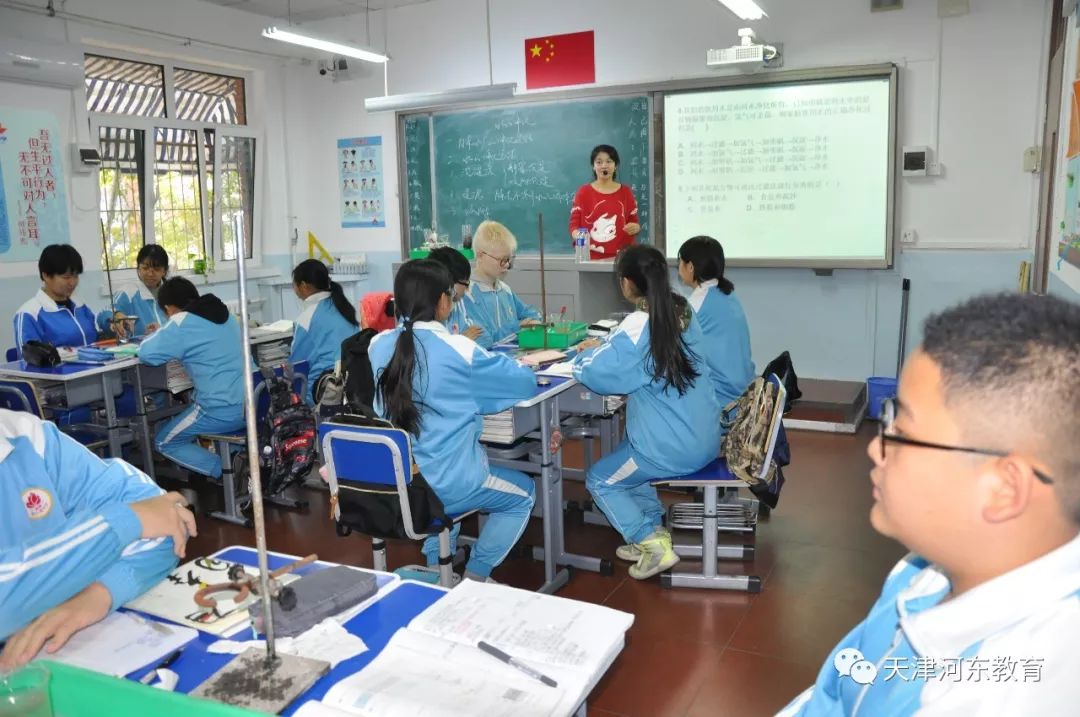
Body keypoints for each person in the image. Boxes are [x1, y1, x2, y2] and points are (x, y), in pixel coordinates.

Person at [779, 292, 1080, 716]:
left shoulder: (1005, 696)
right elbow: (834, 692)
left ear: (1003, 489)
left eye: (900, 432)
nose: (875, 450)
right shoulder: (927, 575)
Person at [369, 260, 537, 582]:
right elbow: (523, 383)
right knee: (524, 494)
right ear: (444, 302)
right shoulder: (460, 349)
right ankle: (476, 575)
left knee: (439, 489)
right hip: (452, 483)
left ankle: (436, 567)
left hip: (401, 481)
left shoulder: (378, 346)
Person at [0, 409, 196, 669]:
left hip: (58, 660)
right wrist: (124, 522)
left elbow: (165, 517)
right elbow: (143, 515)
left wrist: (99, 594)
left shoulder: (28, 437)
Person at [572, 245, 720, 579]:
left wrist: (580, 358)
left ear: (626, 283)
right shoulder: (679, 310)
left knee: (600, 479)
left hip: (671, 447)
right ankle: (653, 528)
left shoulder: (640, 325)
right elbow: (638, 356)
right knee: (628, 452)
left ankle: (648, 541)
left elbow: (600, 374)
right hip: (704, 435)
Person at [137, 277, 246, 478]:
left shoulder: (181, 321)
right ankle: (236, 466)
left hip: (219, 408)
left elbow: (146, 353)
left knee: (164, 441)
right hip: (252, 404)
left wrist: (161, 331)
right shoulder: (227, 315)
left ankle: (228, 473)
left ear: (169, 308)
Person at [676, 236, 754, 408]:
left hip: (723, 397)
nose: (678, 267)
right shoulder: (726, 293)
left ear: (690, 267)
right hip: (743, 390)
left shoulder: (698, 302)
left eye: (679, 261)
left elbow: (671, 341)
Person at [14, 245, 128, 356]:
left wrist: (114, 330)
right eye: (66, 277)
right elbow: (30, 359)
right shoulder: (29, 314)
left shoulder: (80, 306)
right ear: (46, 276)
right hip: (59, 374)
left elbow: (92, 339)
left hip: (93, 371)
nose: (72, 282)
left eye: (76, 276)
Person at [461, 220, 541, 348]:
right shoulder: (467, 293)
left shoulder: (505, 289)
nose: (507, 265)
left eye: (509, 260)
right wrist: (518, 326)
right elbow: (486, 338)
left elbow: (528, 313)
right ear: (480, 256)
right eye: (502, 260)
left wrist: (534, 320)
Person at [290, 259, 359, 403]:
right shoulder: (343, 307)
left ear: (303, 286)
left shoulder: (307, 318)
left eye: (294, 285)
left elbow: (296, 365)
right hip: (352, 384)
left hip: (322, 389)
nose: (294, 290)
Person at [568, 144, 640, 260]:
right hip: (590, 256)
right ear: (593, 166)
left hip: (623, 257)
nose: (604, 166)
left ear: (615, 165)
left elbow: (633, 221)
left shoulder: (626, 192)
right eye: (599, 162)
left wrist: (635, 227)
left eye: (609, 161)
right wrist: (578, 236)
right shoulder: (583, 192)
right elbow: (574, 225)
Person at [96, 244, 170, 338]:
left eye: (156, 269)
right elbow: (103, 314)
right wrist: (116, 315)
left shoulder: (173, 292)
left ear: (165, 271)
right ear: (138, 268)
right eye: (145, 268)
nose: (150, 274)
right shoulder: (128, 292)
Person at [428, 246, 483, 341]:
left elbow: (481, 335)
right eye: (465, 283)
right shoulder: (423, 312)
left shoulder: (457, 305)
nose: (467, 288)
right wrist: (461, 341)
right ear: (450, 281)